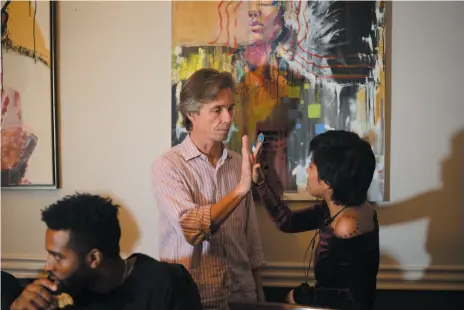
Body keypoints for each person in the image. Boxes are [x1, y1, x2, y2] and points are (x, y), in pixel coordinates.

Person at [152, 68, 266, 310]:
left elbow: (251, 241)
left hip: (241, 297)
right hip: (193, 299)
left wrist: (260, 299)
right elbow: (193, 229)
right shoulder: (168, 165)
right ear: (191, 113)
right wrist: (241, 189)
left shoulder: (239, 163)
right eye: (217, 110)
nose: (228, 118)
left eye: (230, 108)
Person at [252, 130, 380, 310]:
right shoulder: (340, 207)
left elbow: (352, 298)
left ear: (328, 181)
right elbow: (288, 221)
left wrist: (299, 295)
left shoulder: (347, 225)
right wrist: (261, 183)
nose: (307, 169)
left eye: (311, 166)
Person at [10, 193, 203, 310]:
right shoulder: (61, 292)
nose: (48, 265)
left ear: (94, 258)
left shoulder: (167, 284)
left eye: (58, 257)